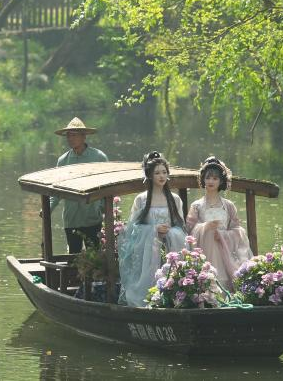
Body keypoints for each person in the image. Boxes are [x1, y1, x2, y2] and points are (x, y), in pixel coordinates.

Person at [118, 152, 187, 307]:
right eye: (157, 173)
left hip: (171, 247)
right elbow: (133, 228)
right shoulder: (141, 199)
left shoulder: (174, 199)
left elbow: (180, 227)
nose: (161, 176)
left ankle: (175, 298)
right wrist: (153, 229)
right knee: (145, 286)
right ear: (149, 175)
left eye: (164, 172)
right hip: (148, 250)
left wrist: (170, 232)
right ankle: (150, 299)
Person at [186, 157, 252, 289]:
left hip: (224, 249)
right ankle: (205, 283)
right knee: (209, 234)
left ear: (221, 181)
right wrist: (205, 227)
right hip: (203, 248)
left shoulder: (228, 206)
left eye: (215, 179)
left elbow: (237, 230)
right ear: (203, 179)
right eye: (208, 177)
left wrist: (223, 235)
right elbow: (189, 230)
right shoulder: (196, 206)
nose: (211, 181)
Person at [49, 117, 109, 253]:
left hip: (92, 217)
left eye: (74, 135)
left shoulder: (98, 157)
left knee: (94, 257)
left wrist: (102, 208)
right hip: (72, 218)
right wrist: (48, 208)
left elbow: (107, 187)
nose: (70, 138)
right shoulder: (63, 160)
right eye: (68, 135)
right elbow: (57, 190)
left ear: (84, 136)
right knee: (73, 257)